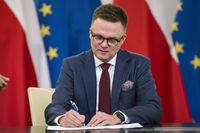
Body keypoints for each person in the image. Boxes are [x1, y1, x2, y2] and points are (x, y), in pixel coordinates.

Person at [45, 3, 162, 127]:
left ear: (123, 39)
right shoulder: (72, 65)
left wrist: (119, 117)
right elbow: (55, 107)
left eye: (112, 40)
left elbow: (153, 108)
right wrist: (63, 118)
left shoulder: (138, 64)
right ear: (90, 34)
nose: (104, 45)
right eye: (99, 37)